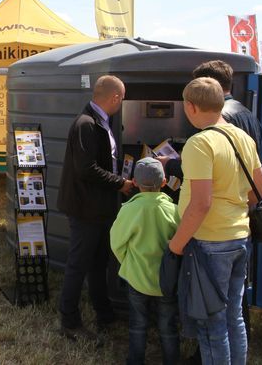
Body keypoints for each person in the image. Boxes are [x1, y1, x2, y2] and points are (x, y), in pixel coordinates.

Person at [167, 78, 262, 364]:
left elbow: (201, 204)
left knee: (211, 325)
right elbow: (261, 190)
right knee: (233, 317)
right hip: (239, 237)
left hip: (209, 243)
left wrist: (176, 245)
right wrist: (234, 207)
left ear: (190, 106)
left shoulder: (199, 143)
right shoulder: (242, 138)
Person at [58, 75, 134, 341]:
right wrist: (120, 183)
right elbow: (86, 169)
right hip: (85, 208)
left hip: (100, 208)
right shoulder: (86, 124)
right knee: (79, 264)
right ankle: (69, 320)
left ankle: (104, 313)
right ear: (114, 97)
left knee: (99, 263)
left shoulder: (102, 123)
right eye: (121, 99)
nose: (121, 103)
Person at [110, 157, 180, 365]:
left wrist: (128, 262)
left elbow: (116, 243)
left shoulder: (129, 210)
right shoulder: (174, 210)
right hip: (167, 282)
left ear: (135, 182)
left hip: (137, 278)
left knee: (138, 324)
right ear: (165, 182)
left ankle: (135, 360)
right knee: (168, 325)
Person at [192, 60, 261, 149]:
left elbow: (209, 157)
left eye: (197, 85)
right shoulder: (249, 115)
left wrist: (170, 162)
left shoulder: (216, 115)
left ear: (209, 84)